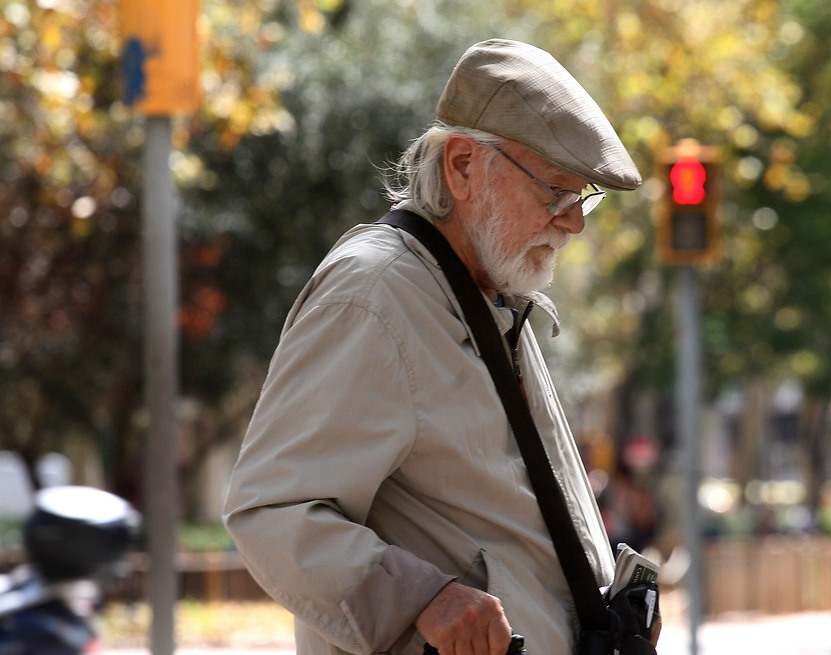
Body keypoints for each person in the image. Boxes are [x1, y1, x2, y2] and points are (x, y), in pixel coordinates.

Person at [223, 39, 643, 655]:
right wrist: (423, 598)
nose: (574, 221)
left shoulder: (487, 293)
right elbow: (271, 512)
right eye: (555, 192)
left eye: (582, 197)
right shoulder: (374, 294)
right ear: (464, 166)